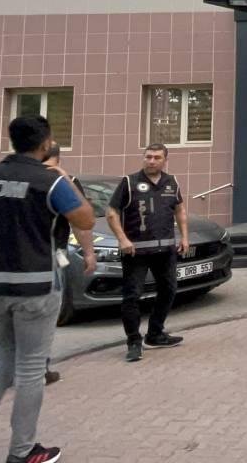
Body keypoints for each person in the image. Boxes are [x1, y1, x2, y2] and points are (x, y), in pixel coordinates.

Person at [0, 116, 94, 463]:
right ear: (46, 144)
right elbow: (85, 219)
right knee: (30, 368)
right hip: (35, 285)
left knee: (4, 358)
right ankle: (22, 452)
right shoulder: (49, 181)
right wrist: (63, 179)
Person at [106, 143, 189, 363]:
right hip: (136, 252)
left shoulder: (172, 182)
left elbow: (180, 210)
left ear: (165, 160)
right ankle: (134, 342)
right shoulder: (129, 182)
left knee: (169, 290)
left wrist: (184, 237)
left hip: (166, 250)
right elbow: (111, 212)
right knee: (132, 296)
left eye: (157, 157)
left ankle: (155, 334)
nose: (151, 161)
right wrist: (122, 239)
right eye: (148, 157)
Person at [39, 144, 95, 384]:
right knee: (44, 315)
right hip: (49, 258)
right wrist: (89, 253)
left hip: (10, 260)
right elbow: (82, 222)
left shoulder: (13, 178)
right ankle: (38, 368)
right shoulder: (61, 182)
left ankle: (6, 366)